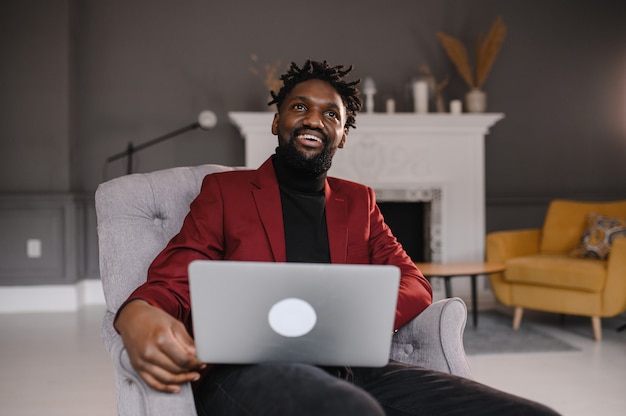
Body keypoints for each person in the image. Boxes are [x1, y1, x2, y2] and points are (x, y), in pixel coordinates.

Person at [114, 59, 560, 415]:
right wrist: (137, 312)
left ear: (342, 136)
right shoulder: (225, 192)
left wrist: (346, 318)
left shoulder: (360, 201)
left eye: (331, 113)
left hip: (354, 366)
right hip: (247, 372)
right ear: (277, 122)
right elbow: (176, 276)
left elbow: (412, 281)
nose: (314, 118)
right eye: (299, 106)